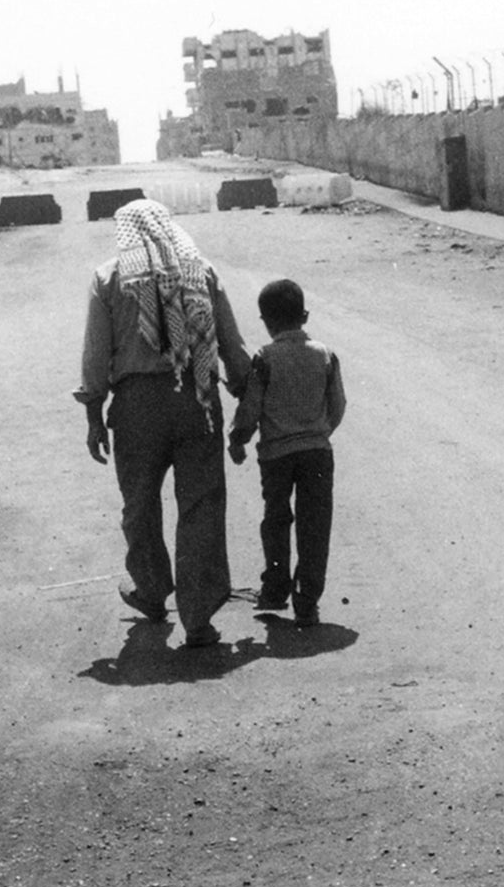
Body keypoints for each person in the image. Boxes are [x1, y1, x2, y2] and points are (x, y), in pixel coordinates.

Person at [76, 200, 250, 648]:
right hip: (198, 401)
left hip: (136, 410)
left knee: (140, 505)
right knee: (201, 506)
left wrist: (95, 417)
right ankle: (199, 618)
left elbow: (96, 358)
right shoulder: (200, 272)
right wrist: (246, 397)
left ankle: (151, 594)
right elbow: (232, 345)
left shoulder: (109, 278)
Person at [227, 278, 345, 627]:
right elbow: (337, 405)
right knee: (315, 525)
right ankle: (307, 601)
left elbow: (251, 407)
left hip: (276, 456)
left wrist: (238, 439)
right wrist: (319, 432)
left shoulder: (265, 358)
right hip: (317, 454)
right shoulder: (325, 355)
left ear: (266, 321)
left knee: (276, 519)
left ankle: (275, 589)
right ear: (304, 316)